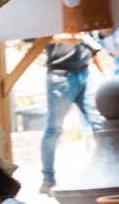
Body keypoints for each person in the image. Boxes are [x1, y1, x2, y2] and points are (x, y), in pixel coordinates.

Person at [39, 32, 106, 192]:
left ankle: (106, 172)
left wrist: (105, 73)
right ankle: (48, 179)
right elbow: (35, 38)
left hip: (85, 71)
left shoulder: (84, 14)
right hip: (60, 75)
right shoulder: (49, 14)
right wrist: (63, 37)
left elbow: (96, 47)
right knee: (54, 129)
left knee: (100, 124)